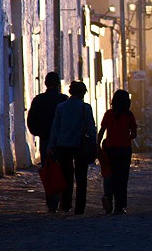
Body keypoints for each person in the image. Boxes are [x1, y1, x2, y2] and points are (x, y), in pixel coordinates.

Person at [47, 81, 96, 215]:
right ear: (83, 93)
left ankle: (66, 205)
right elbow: (91, 129)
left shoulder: (61, 107)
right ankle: (80, 208)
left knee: (66, 176)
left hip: (63, 145)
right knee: (81, 178)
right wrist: (94, 145)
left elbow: (55, 128)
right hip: (80, 145)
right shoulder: (85, 108)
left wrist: (51, 146)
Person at [27, 71, 68, 212]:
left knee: (49, 170)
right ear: (58, 84)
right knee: (63, 170)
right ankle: (64, 202)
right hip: (62, 141)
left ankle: (52, 202)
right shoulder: (64, 100)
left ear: (45, 83)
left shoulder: (38, 100)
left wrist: (39, 133)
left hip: (45, 140)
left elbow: (31, 120)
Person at [97, 89, 138, 215]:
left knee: (110, 175)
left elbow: (102, 131)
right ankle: (119, 206)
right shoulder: (129, 115)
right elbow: (134, 134)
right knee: (122, 178)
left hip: (110, 149)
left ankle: (108, 197)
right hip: (124, 150)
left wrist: (98, 145)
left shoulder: (109, 114)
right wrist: (125, 137)